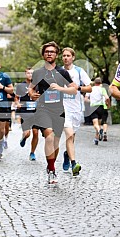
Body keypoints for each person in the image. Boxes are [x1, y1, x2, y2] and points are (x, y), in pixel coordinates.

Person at [28, 41, 77, 184]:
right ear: (43, 54)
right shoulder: (38, 72)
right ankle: (52, 170)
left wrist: (61, 89)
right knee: (48, 136)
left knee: (55, 143)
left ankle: (51, 165)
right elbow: (31, 88)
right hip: (43, 109)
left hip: (58, 110)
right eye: (47, 51)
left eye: (52, 52)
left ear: (56, 55)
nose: (49, 53)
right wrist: (32, 94)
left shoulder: (62, 72)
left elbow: (74, 89)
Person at [62, 47, 92, 174]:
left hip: (76, 109)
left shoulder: (79, 71)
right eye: (63, 55)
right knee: (69, 135)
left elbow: (89, 88)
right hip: (63, 109)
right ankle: (74, 163)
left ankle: (67, 154)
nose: (66, 58)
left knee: (72, 137)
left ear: (73, 57)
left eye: (68, 55)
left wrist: (78, 87)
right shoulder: (58, 71)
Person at [15, 67, 39, 161]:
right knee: (27, 133)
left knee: (36, 133)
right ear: (25, 74)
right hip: (25, 112)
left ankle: (32, 153)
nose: (30, 75)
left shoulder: (38, 85)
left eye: (32, 73)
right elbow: (16, 97)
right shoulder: (21, 86)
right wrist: (17, 103)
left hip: (36, 112)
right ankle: (24, 138)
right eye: (28, 73)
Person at [85, 77, 110, 145]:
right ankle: (96, 139)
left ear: (94, 83)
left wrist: (91, 101)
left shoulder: (90, 89)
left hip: (93, 107)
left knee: (95, 124)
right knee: (99, 123)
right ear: (100, 83)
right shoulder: (102, 89)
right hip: (101, 107)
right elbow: (107, 97)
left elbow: (86, 99)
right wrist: (108, 103)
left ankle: (99, 131)